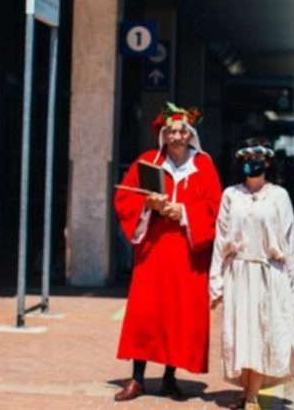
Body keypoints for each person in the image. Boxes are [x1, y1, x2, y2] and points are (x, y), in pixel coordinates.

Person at [112, 102, 223, 402]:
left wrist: (183, 211)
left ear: (190, 135)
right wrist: (148, 205)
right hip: (153, 251)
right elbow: (124, 197)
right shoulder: (148, 162)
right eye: (171, 131)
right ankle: (136, 379)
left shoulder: (204, 167)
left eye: (182, 131)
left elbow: (216, 208)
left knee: (178, 313)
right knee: (145, 313)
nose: (176, 137)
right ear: (163, 134)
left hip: (188, 254)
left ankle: (169, 378)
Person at [209, 138, 294, 410]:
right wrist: (216, 281)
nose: (253, 163)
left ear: (268, 162)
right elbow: (220, 241)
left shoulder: (279, 196)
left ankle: (251, 395)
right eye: (247, 158)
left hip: (269, 274)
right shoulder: (231, 195)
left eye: (259, 158)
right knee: (242, 333)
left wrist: (293, 286)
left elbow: (290, 242)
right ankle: (246, 391)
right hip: (238, 273)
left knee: (263, 332)